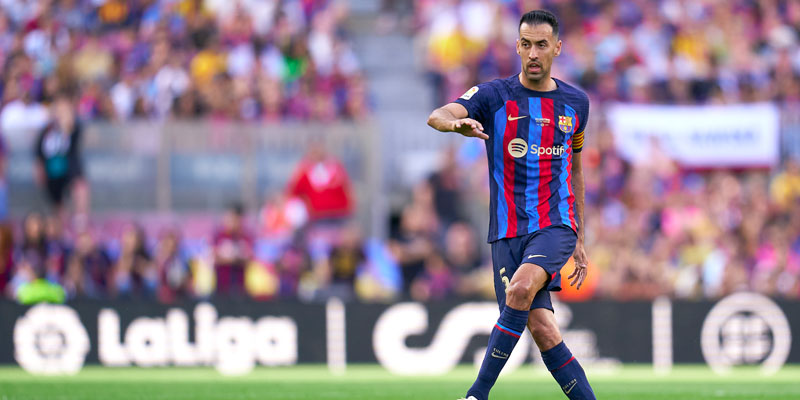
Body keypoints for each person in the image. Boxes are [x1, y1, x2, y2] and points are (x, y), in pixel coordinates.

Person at [426, 10, 595, 400]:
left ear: (557, 48)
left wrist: (580, 237)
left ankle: (476, 394)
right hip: (506, 232)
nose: (533, 53)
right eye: (526, 44)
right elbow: (438, 115)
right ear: (517, 47)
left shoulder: (576, 104)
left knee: (519, 289)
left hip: (555, 225)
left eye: (541, 45)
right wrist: (455, 124)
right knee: (543, 329)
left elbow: (576, 171)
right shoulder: (493, 96)